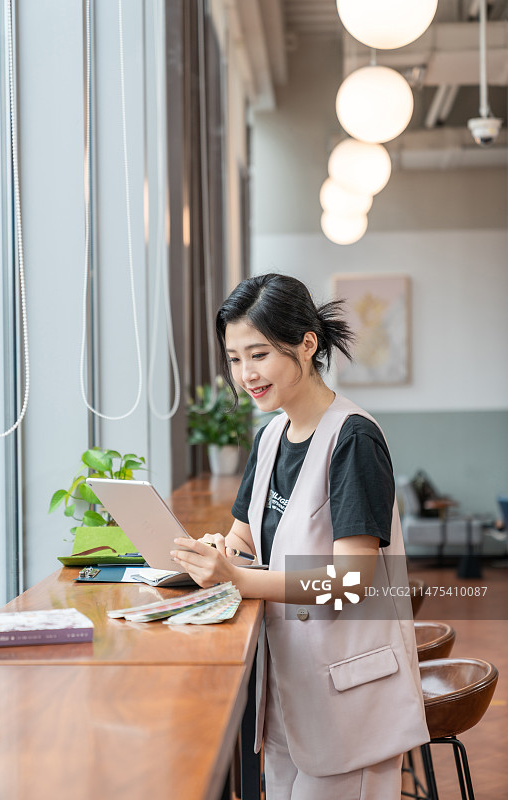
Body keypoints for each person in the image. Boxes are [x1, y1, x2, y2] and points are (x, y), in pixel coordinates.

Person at [171, 273, 429, 800]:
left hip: (347, 697)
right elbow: (244, 538)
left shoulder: (354, 438)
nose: (246, 375)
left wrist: (237, 580)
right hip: (289, 692)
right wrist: (218, 553)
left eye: (259, 355)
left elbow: (351, 583)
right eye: (235, 358)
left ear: (307, 345)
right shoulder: (270, 438)